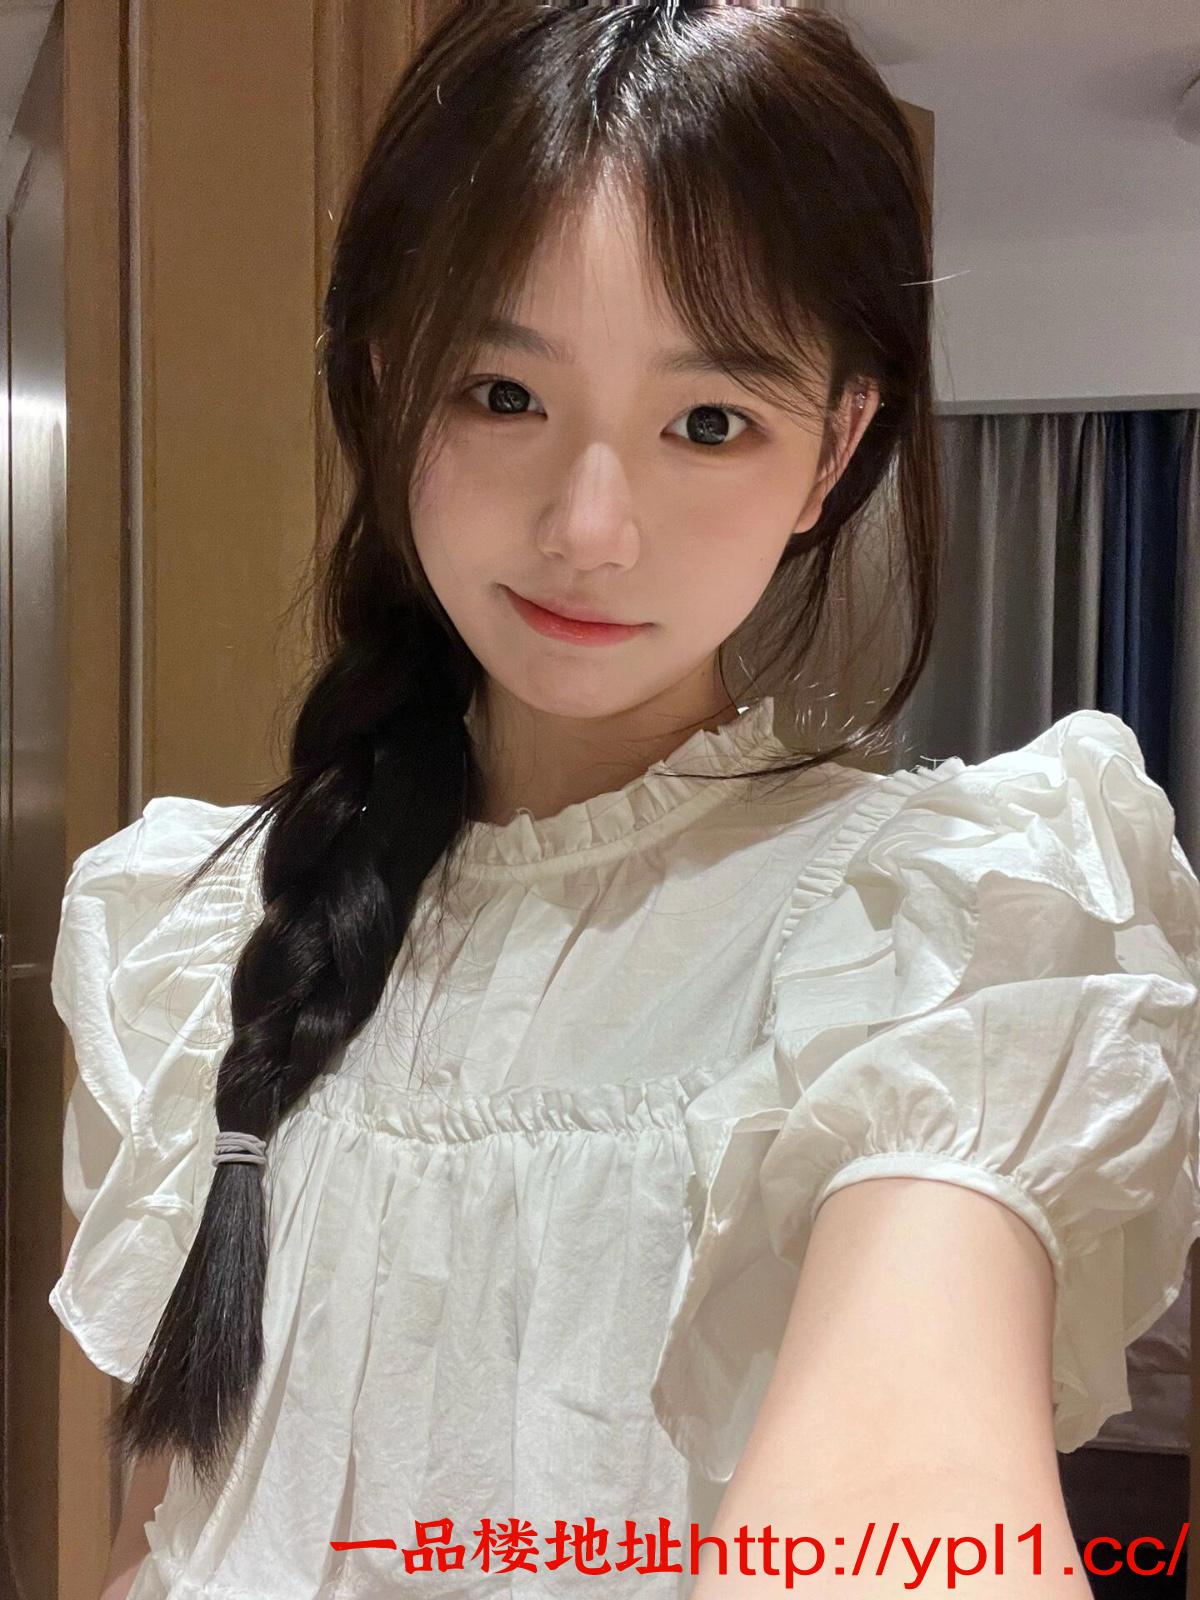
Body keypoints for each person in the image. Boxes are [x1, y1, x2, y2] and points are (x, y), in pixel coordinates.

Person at [49, 2, 1200, 1597]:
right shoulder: (184, 942)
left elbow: (914, 1501)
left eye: (708, 422)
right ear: (384, 383)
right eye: (500, 393)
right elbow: (162, 1533)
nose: (590, 528)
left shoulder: (935, 937)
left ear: (834, 452)